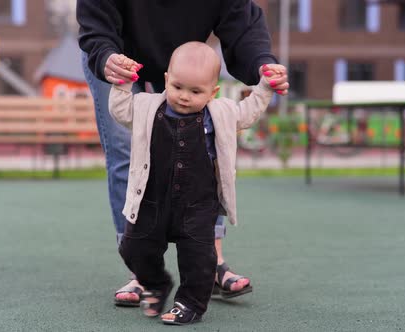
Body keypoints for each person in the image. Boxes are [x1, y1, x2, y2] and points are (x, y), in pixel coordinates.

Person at [76, 0, 289, 306]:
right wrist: (105, 55)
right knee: (126, 149)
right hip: (114, 49)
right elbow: (96, 16)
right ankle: (143, 271)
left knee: (206, 144)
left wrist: (263, 65)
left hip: (186, 59)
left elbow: (242, 23)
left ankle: (209, 262)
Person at [109, 41, 285, 325]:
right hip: (152, 200)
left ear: (212, 93)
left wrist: (265, 86)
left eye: (196, 91)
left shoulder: (220, 114)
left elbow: (248, 111)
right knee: (133, 247)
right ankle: (155, 282)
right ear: (167, 80)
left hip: (198, 205)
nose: (184, 97)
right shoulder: (147, 106)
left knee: (199, 260)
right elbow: (119, 111)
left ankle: (189, 303)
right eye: (177, 87)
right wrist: (121, 84)